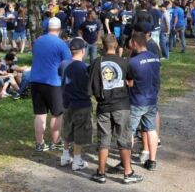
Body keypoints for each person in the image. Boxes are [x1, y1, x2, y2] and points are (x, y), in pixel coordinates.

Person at [89, 34, 143, 184]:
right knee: (124, 139)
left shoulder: (96, 62)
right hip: (122, 106)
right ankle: (128, 172)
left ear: (103, 47)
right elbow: (131, 83)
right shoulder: (124, 62)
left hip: (103, 106)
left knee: (103, 140)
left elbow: (91, 87)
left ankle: (101, 173)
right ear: (117, 45)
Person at [29, 17, 72, 152]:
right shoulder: (61, 44)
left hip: (35, 80)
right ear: (59, 29)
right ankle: (55, 141)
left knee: (40, 114)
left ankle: (39, 143)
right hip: (54, 82)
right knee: (57, 113)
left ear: (48, 27)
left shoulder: (37, 41)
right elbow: (67, 63)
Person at [128, 32, 162, 171]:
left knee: (129, 131)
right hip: (151, 99)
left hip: (137, 100)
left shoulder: (133, 62)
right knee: (151, 129)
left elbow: (129, 82)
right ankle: (152, 161)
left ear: (135, 44)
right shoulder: (155, 58)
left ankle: (126, 160)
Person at [60, 38, 92, 172]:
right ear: (83, 51)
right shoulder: (84, 68)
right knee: (80, 130)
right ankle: (77, 160)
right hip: (81, 103)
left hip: (67, 102)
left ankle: (65, 155)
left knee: (67, 129)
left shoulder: (64, 65)